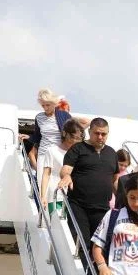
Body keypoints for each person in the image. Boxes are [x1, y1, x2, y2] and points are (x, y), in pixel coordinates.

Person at [58, 117, 120, 253]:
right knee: (81, 244)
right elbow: (66, 169)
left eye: (103, 134)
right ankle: (82, 274)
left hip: (103, 209)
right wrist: (67, 176)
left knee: (100, 248)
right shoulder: (77, 149)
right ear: (90, 131)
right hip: (79, 206)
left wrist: (124, 198)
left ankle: (96, 273)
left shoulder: (111, 153)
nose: (100, 137)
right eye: (96, 133)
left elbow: (115, 180)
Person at [30, 89, 72, 194]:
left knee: (59, 183)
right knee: (42, 183)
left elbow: (73, 133)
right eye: (43, 105)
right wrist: (28, 137)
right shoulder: (39, 117)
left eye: (47, 105)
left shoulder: (64, 116)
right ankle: (43, 207)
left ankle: (58, 208)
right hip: (43, 153)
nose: (45, 108)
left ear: (54, 103)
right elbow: (37, 136)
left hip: (60, 153)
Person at [40, 119, 84, 213]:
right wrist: (43, 195)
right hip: (56, 190)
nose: (74, 140)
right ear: (64, 133)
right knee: (56, 218)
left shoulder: (81, 153)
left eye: (78, 138)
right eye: (72, 136)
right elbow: (46, 174)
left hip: (75, 194)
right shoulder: (52, 150)